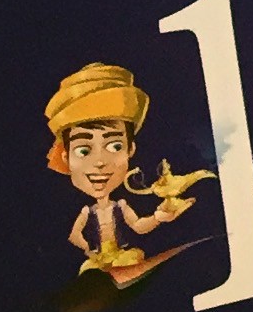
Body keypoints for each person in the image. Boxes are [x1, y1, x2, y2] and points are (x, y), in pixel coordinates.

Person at [46, 63, 195, 275]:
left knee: (131, 260)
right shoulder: (86, 212)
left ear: (130, 149)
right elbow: (74, 235)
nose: (99, 162)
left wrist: (157, 217)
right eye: (83, 150)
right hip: (98, 260)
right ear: (66, 157)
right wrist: (88, 249)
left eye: (114, 146)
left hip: (121, 257)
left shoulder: (121, 206)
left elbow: (138, 226)